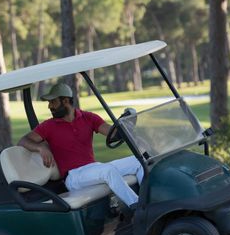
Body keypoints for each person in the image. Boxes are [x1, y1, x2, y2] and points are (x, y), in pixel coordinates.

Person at [18, 83, 143, 211]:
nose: (50, 106)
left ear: (65, 101)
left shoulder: (88, 118)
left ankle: (150, 200)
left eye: (53, 102)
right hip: (73, 176)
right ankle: (139, 207)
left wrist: (127, 125)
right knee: (108, 171)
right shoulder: (48, 126)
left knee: (138, 161)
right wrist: (41, 148)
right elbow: (23, 140)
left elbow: (113, 134)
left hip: (94, 168)